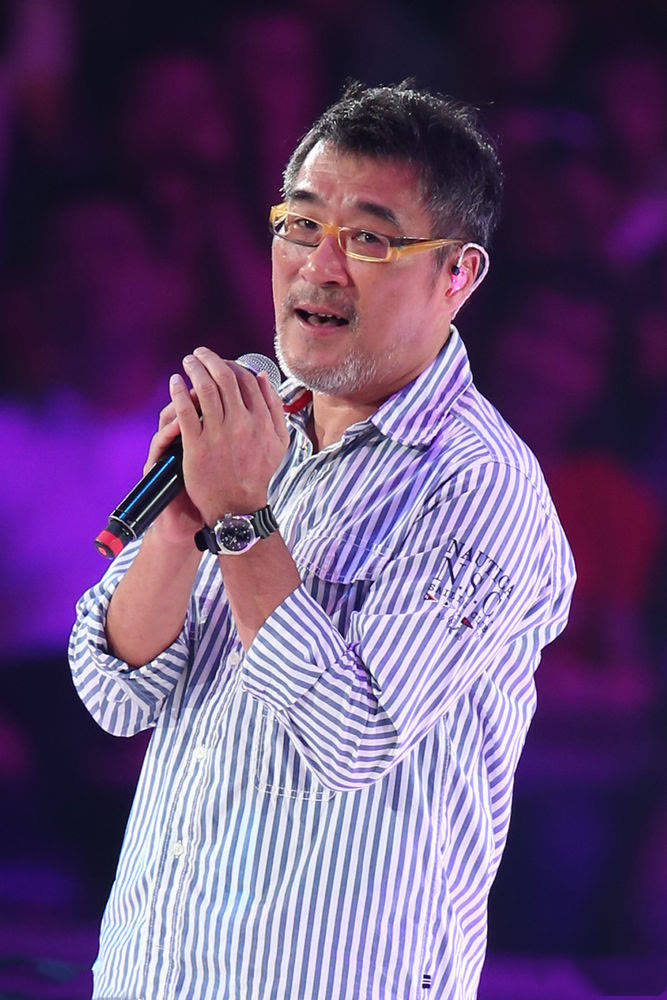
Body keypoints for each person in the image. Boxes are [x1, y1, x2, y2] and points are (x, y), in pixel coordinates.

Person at [69, 81, 575, 1000]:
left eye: (369, 239)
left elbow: (352, 735)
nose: (319, 265)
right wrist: (182, 523)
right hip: (153, 973)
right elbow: (114, 693)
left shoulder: (480, 485)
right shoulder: (250, 430)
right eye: (300, 225)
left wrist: (240, 518)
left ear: (457, 275)